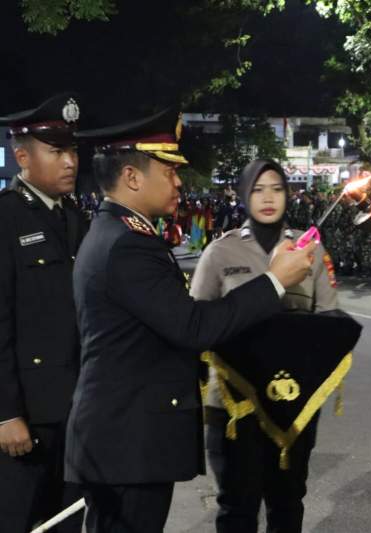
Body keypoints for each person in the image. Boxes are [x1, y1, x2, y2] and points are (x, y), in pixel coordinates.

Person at [66, 109, 316, 533]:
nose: (179, 181)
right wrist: (275, 281)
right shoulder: (128, 245)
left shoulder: (119, 233)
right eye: (168, 171)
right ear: (132, 177)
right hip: (129, 443)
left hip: (123, 438)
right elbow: (193, 326)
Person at [191, 159, 338, 533]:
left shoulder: (310, 251)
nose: (268, 197)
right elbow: (196, 324)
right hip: (233, 409)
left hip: (292, 404)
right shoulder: (220, 253)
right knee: (237, 507)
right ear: (243, 196)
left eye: (276, 188)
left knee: (287, 503)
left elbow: (329, 320)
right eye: (258, 189)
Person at [0, 94, 86, 532]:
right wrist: (6, 413)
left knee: (67, 523)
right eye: (57, 151)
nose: (70, 161)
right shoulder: (5, 218)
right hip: (27, 417)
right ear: (21, 157)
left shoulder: (74, 217)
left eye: (72, 150)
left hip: (75, 409)